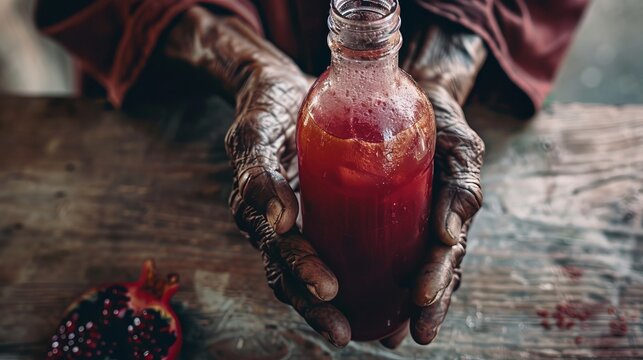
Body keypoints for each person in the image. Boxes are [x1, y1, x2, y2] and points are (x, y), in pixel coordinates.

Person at [35, 0, 588, 349]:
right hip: (185, 95)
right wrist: (242, 62)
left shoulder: (411, 108)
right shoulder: (317, 110)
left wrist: (444, 63)